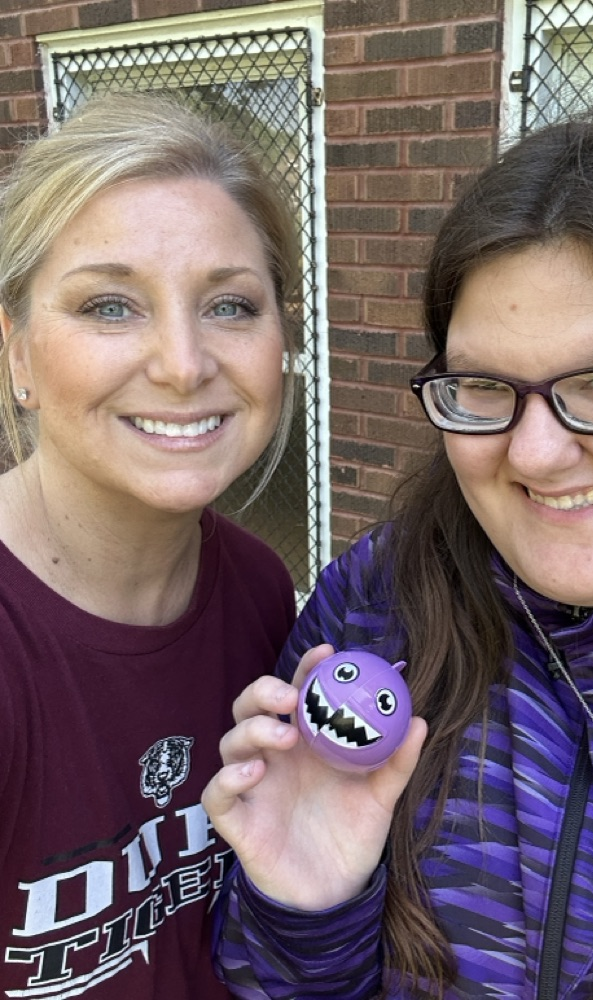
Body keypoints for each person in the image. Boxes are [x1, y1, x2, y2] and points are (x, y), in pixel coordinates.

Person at [203, 106, 593, 1000]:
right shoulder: (378, 609)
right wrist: (308, 910)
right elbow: (271, 981)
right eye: (486, 387)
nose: (533, 455)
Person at [0, 90, 299, 998]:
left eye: (232, 306)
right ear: (16, 357)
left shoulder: (258, 590)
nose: (181, 362)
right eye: (110, 306)